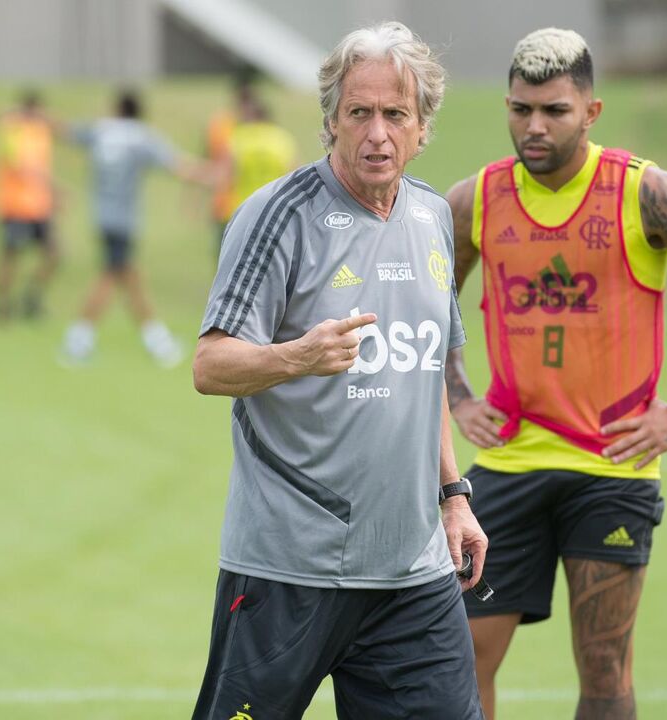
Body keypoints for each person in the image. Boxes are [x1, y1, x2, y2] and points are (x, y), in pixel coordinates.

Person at [444, 28, 667, 719]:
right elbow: (421, 294)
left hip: (611, 470)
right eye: (519, 108)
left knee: (602, 667)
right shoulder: (477, 199)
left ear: (590, 112)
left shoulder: (647, 193)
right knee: (462, 661)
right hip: (504, 464)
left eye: (553, 111)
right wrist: (456, 391)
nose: (533, 126)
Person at [191, 21, 488, 719]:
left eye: (395, 115)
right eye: (359, 113)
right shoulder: (277, 215)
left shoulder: (431, 216)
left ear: (422, 128)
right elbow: (209, 364)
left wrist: (453, 495)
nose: (376, 133)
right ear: (330, 120)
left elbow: (426, 372)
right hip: (288, 569)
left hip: (410, 575)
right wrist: (298, 355)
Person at [60, 90, 211, 367]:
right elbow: (177, 165)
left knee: (130, 278)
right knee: (111, 276)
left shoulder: (102, 130)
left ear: (117, 107)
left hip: (103, 216)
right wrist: (212, 175)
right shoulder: (141, 137)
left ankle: (158, 342)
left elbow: (67, 132)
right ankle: (78, 340)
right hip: (124, 219)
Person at [0, 89, 59, 321]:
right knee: (11, 256)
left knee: (54, 253)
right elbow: (22, 165)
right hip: (15, 204)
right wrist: (55, 188)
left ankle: (31, 298)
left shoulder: (40, 131)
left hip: (39, 206)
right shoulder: (10, 129)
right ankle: (1, 306)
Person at [212, 93, 298, 254]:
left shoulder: (237, 139)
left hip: (240, 213)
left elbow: (224, 178)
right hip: (273, 215)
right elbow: (295, 179)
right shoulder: (282, 139)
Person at [204, 66, 258, 243]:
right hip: (239, 204)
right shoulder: (260, 129)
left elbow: (210, 160)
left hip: (228, 204)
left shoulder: (219, 124)